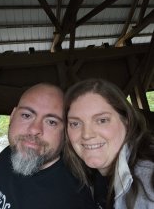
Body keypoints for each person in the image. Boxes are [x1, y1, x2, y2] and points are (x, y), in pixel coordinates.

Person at [0, 83, 95, 209]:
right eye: (26, 115)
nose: (34, 129)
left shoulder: (70, 200)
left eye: (51, 122)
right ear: (12, 116)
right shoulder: (9, 153)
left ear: (65, 133)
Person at [64, 78, 154, 209]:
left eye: (102, 120)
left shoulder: (148, 182)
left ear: (126, 121)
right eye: (75, 123)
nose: (87, 134)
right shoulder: (89, 175)